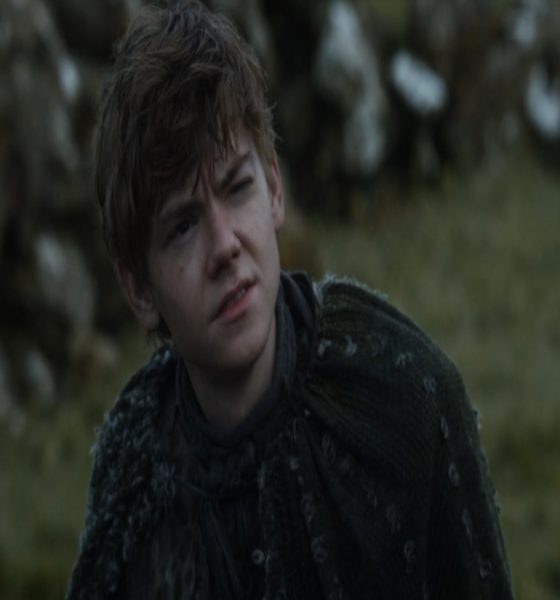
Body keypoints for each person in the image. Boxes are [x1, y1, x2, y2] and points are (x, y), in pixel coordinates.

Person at [67, 1, 513, 598]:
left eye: (237, 187)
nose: (225, 246)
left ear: (274, 189)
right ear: (139, 290)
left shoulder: (405, 400)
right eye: (183, 227)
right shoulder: (134, 475)